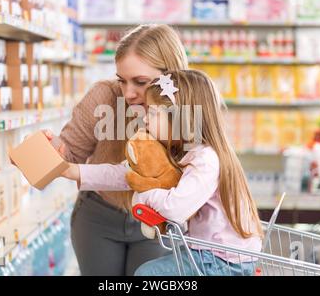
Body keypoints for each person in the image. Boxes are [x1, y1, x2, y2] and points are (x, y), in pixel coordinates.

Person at [62, 69, 264, 276]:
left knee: (147, 275)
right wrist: (74, 170)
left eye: (153, 112)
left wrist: (144, 194)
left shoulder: (206, 160)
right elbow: (127, 174)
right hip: (205, 253)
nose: (145, 119)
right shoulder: (178, 151)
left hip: (222, 261)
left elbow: (175, 209)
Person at [44, 24, 189, 275]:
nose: (129, 93)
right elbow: (70, 152)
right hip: (98, 218)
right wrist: (50, 151)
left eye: (140, 82)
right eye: (122, 80)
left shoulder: (188, 110)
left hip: (157, 223)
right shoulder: (105, 96)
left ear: (171, 78)